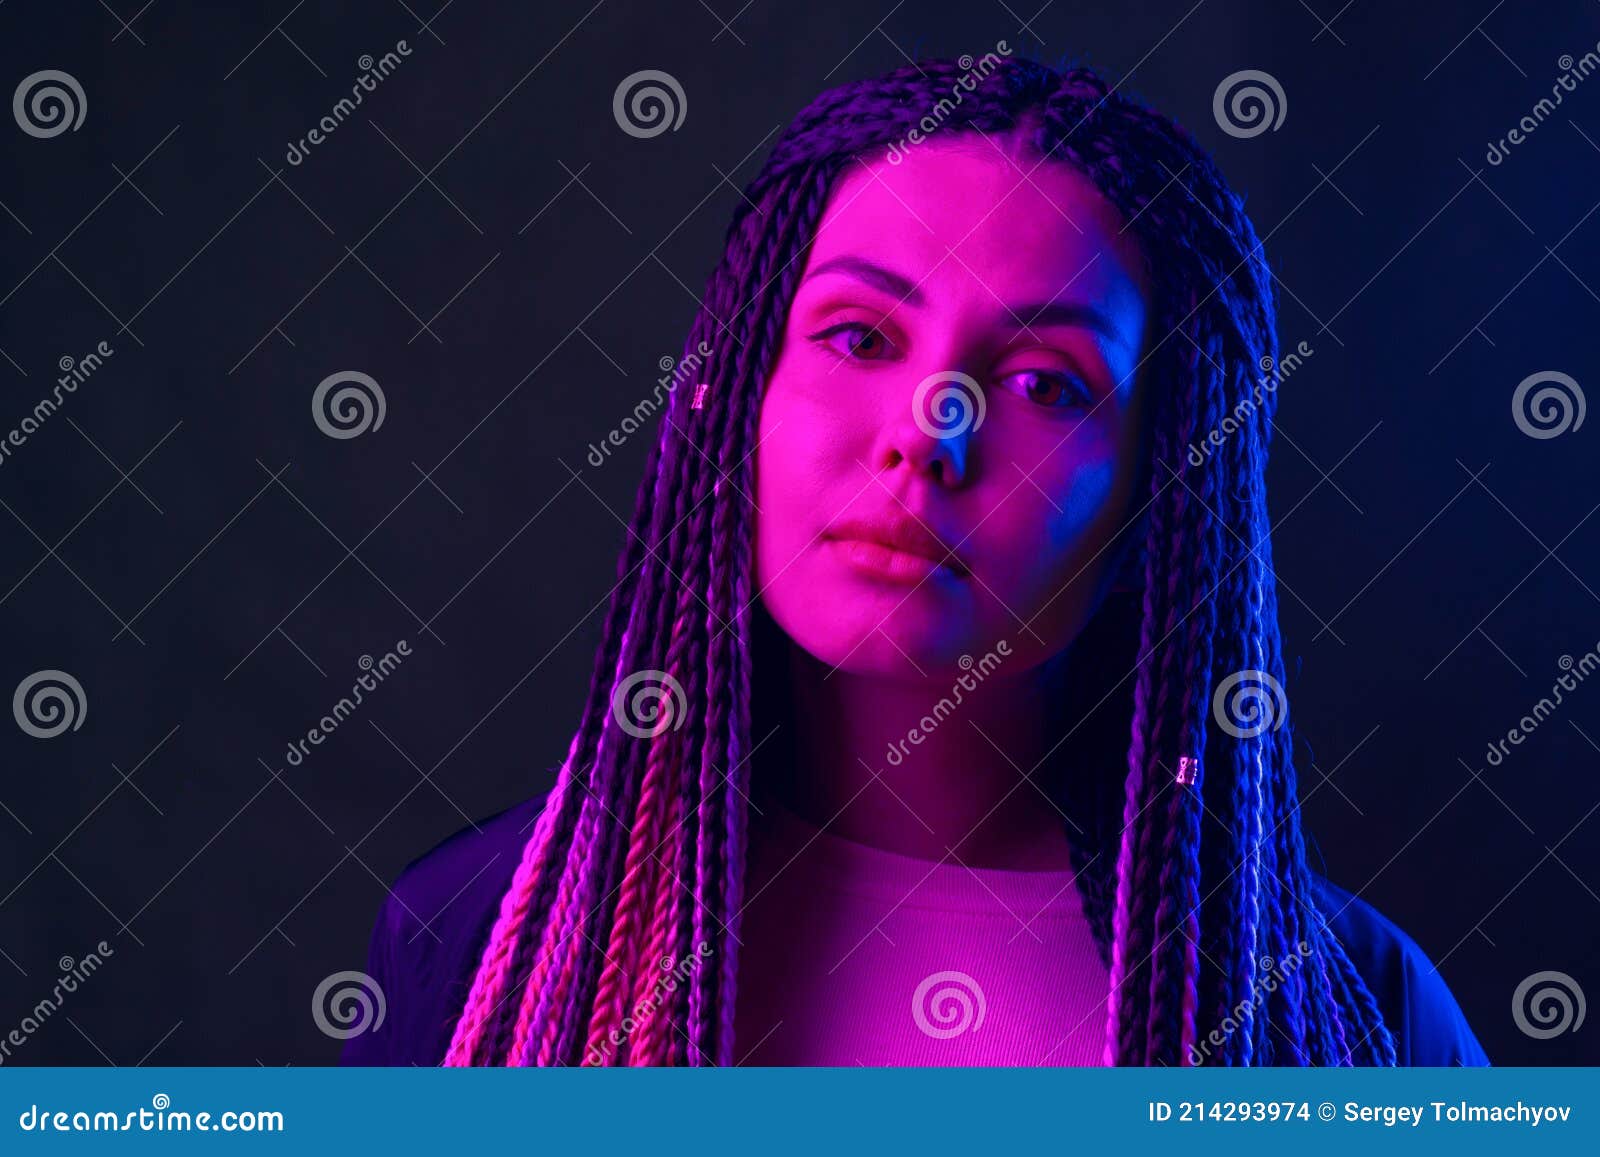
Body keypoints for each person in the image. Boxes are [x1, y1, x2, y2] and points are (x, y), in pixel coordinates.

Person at [342, 55, 1489, 1067]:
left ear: (1162, 494)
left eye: (1046, 382)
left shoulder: (1350, 1016)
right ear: (740, 395)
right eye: (860, 336)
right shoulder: (484, 935)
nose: (930, 426)